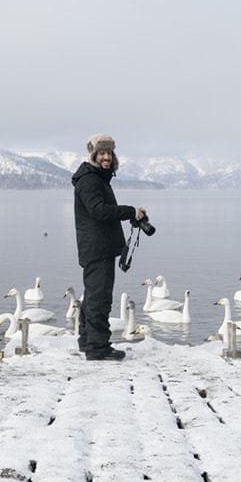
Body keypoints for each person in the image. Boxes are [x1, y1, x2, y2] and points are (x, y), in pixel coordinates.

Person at [72, 134, 146, 361]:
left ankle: (87, 341)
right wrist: (128, 211)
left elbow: (102, 212)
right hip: (97, 249)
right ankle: (98, 348)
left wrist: (131, 216)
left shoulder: (97, 178)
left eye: (109, 153)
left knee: (93, 296)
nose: (106, 157)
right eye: (102, 153)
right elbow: (99, 211)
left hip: (98, 247)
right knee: (99, 298)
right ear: (94, 155)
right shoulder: (89, 180)